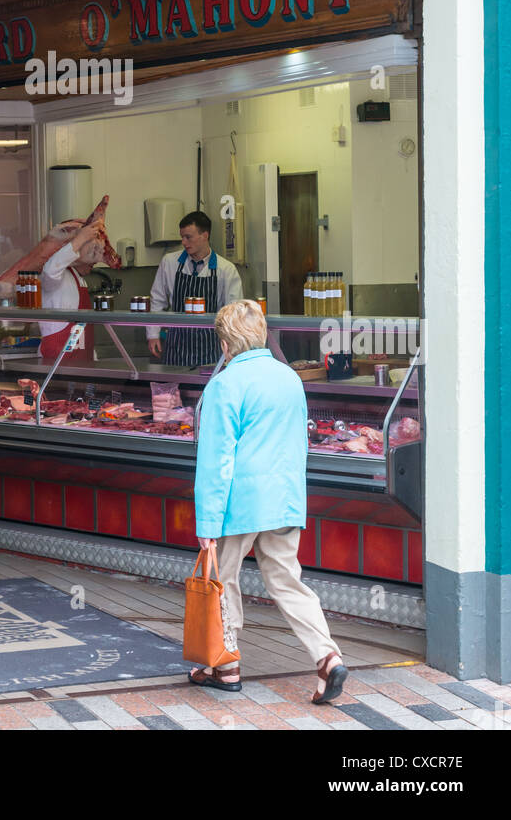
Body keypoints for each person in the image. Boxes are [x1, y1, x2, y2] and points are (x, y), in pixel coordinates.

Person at [189, 299, 348, 705]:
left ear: (225, 344)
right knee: (286, 580)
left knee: (222, 580)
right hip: (284, 497)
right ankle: (327, 657)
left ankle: (225, 665)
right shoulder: (289, 378)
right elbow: (298, 442)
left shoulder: (225, 384)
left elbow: (216, 460)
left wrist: (207, 522)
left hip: (239, 503)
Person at [147, 210, 242, 366]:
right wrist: (152, 334)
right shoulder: (169, 262)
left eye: (188, 237)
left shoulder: (226, 269)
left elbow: (233, 312)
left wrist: (232, 346)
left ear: (205, 235)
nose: (184, 242)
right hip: (176, 347)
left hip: (210, 349)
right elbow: (157, 300)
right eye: (182, 237)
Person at [39, 220, 105, 365]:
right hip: (57, 362)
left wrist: (93, 358)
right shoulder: (58, 275)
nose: (94, 262)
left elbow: (83, 330)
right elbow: (50, 270)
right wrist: (81, 238)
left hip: (81, 362)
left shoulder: (80, 280)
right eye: (90, 251)